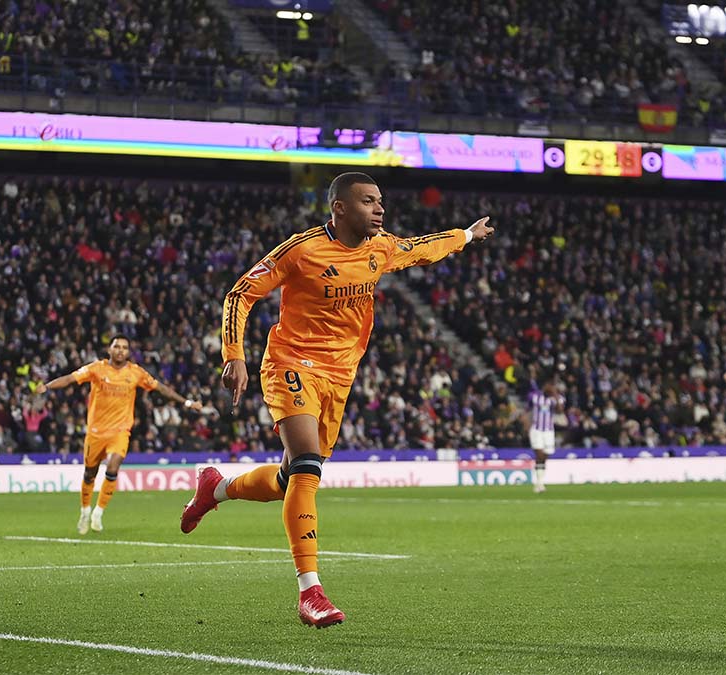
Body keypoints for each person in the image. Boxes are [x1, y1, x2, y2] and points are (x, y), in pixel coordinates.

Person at [180, 171, 495, 627]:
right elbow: (240, 293)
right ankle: (311, 592)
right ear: (340, 208)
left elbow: (422, 248)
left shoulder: (380, 246)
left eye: (381, 200)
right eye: (369, 201)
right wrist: (234, 354)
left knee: (292, 479)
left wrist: (465, 234)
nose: (380, 208)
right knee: (308, 465)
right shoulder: (301, 250)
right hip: (290, 362)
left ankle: (217, 487)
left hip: (340, 375)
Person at [37, 334, 202, 535]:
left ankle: (98, 512)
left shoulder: (135, 373)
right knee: (90, 474)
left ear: (128, 351)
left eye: (124, 347)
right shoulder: (97, 368)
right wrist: (47, 386)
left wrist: (187, 402)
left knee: (113, 466)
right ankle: (85, 511)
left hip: (120, 431)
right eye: (117, 346)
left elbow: (161, 388)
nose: (120, 350)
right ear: (110, 349)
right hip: (95, 432)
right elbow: (70, 378)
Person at [527, 381, 564, 493]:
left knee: (545, 456)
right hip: (536, 430)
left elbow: (560, 411)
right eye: (548, 385)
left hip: (548, 431)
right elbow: (528, 406)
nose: (550, 387)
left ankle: (539, 482)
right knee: (539, 454)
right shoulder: (535, 396)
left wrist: (555, 396)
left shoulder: (557, 398)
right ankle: (539, 483)